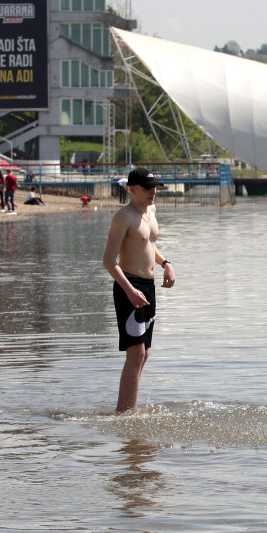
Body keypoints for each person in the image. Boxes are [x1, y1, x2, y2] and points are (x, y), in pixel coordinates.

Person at [103, 168, 175, 412]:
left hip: (148, 287)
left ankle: (127, 408)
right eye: (147, 188)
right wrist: (130, 290)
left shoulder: (151, 211)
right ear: (131, 189)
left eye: (154, 187)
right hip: (129, 287)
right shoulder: (123, 216)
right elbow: (109, 260)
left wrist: (165, 263)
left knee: (144, 354)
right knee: (135, 354)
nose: (153, 192)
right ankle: (126, 413)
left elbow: (148, 245)